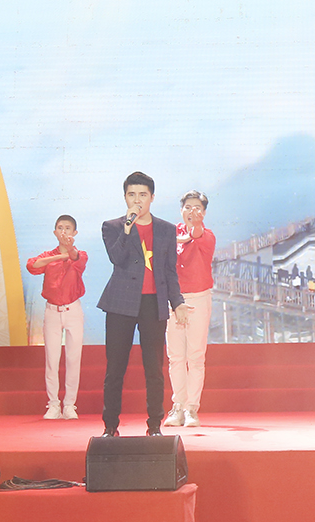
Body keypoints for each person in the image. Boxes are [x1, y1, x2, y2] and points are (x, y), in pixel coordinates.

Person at [98, 171, 187, 437]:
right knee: (115, 368)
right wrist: (128, 229)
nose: (137, 200)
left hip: (153, 303)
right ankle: (110, 427)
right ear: (125, 197)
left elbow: (170, 271)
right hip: (120, 304)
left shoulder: (166, 229)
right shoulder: (113, 227)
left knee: (154, 369)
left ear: (152, 197)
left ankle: (155, 425)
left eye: (142, 195)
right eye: (132, 195)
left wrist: (177, 302)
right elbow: (117, 258)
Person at [26, 215, 88, 420]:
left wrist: (68, 251)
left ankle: (70, 405)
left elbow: (78, 260)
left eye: (68, 228)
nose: (64, 231)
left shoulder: (80, 255)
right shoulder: (48, 256)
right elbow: (32, 266)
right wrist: (57, 257)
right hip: (52, 311)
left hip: (73, 310)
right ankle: (53, 404)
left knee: (73, 358)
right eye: (60, 228)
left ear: (74, 232)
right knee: (52, 359)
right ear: (54, 232)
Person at [165, 190, 216, 428]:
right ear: (181, 210)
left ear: (204, 212)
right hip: (174, 300)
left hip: (198, 299)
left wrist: (195, 225)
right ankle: (178, 406)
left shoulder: (207, 236)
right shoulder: (170, 234)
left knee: (195, 356)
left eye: (197, 208)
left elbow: (195, 234)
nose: (191, 211)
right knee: (176, 356)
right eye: (187, 207)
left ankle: (191, 408)